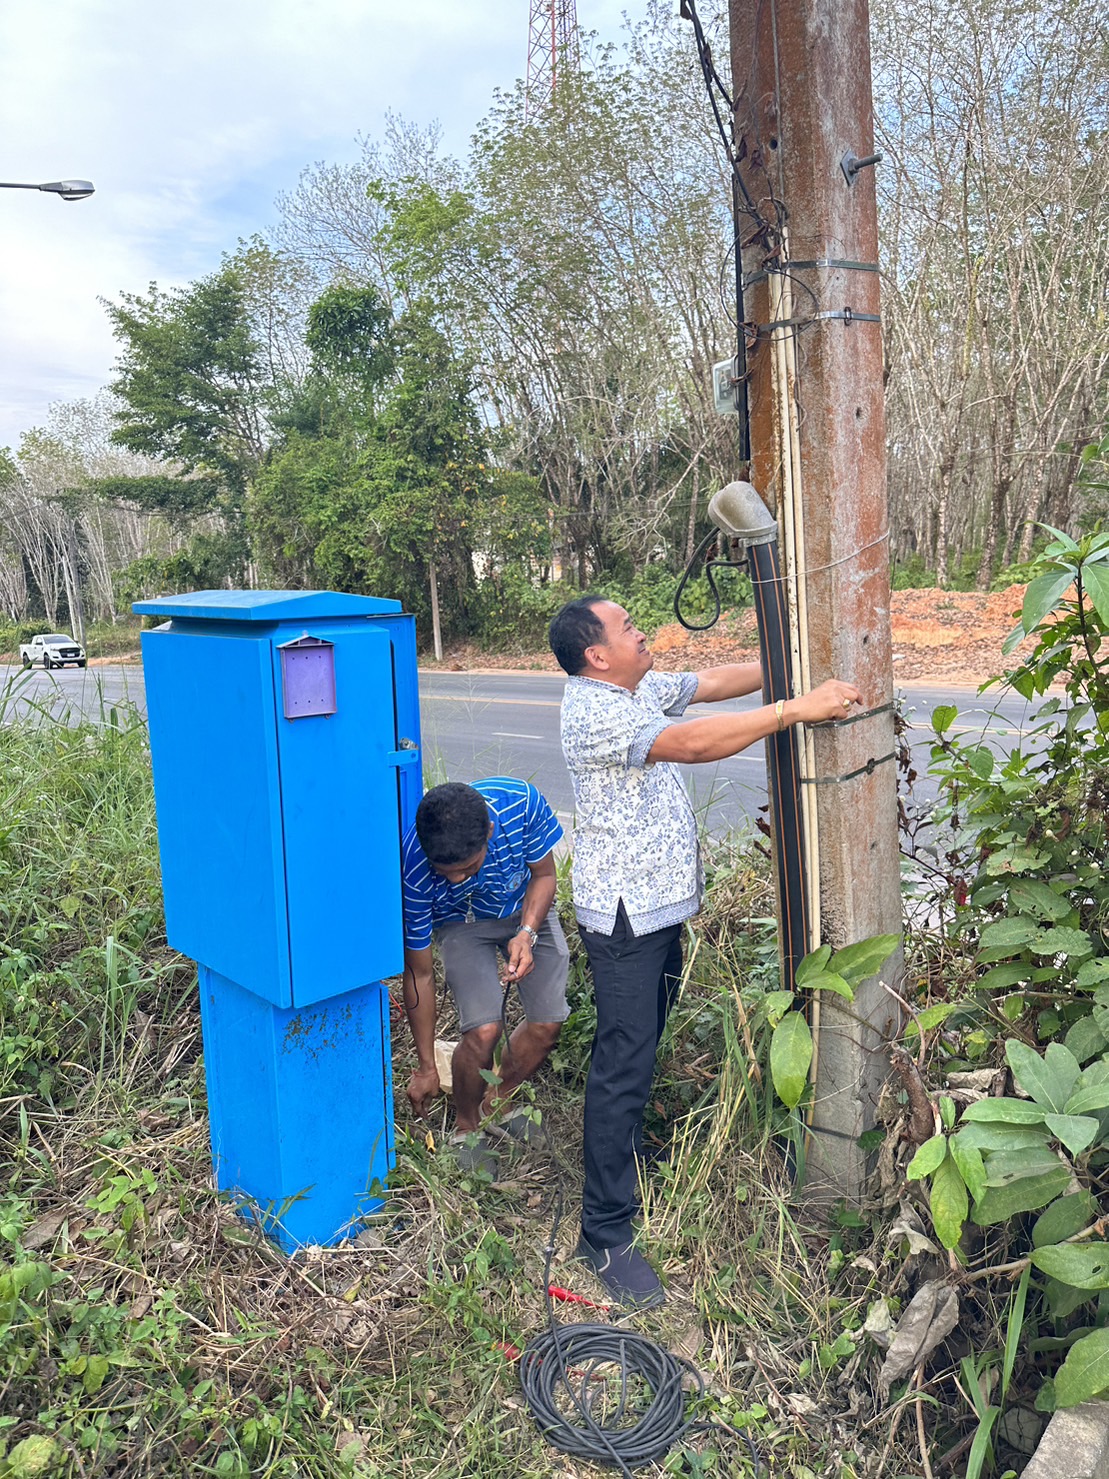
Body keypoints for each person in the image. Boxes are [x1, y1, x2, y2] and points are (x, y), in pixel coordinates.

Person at [549, 594, 862, 1307]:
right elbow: (692, 743)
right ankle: (602, 1230)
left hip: (657, 910)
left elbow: (712, 683)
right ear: (596, 653)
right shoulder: (595, 710)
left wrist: (790, 669)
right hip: (626, 919)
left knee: (641, 1045)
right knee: (622, 1061)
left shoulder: (632, 687)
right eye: (626, 627)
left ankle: (621, 1160)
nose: (640, 632)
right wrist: (795, 709)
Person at [400, 777, 570, 1174]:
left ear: (490, 832)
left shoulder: (522, 804)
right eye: (446, 873)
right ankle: (466, 1127)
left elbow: (544, 876)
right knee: (482, 1031)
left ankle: (499, 1098)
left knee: (547, 1024)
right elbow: (419, 973)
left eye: (469, 867)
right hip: (460, 925)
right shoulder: (413, 862)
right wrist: (426, 1067)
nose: (457, 879)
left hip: (523, 909)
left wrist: (527, 933)